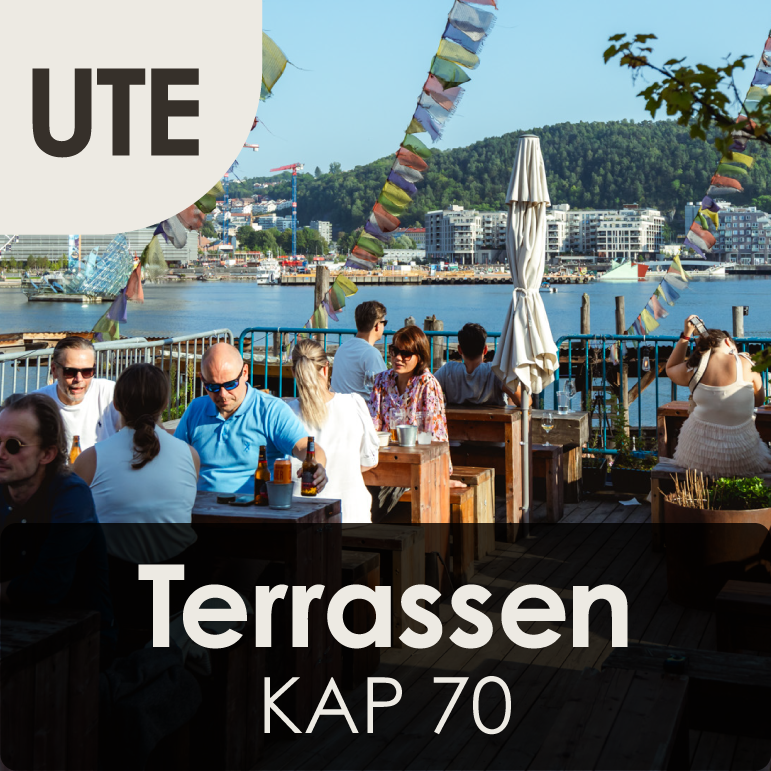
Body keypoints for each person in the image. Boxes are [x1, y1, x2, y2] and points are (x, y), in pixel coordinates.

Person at [0, 393, 114, 660]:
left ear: (47, 453)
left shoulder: (71, 496)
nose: (1, 453)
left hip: (79, 643)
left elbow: (47, 588)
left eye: (13, 445)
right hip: (15, 628)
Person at [72, 363, 200, 565]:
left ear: (116, 404)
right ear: (166, 404)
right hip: (176, 577)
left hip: (115, 578)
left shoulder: (91, 459)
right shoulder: (190, 455)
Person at [174, 342, 328, 494]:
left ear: (245, 372)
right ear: (202, 379)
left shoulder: (271, 410)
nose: (223, 394)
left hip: (255, 512)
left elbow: (303, 447)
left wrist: (316, 465)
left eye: (230, 384)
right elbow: (173, 457)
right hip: (201, 511)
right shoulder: (195, 409)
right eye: (213, 386)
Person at [666, 315, 771, 477]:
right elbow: (758, 400)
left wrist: (686, 335)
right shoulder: (746, 363)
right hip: (742, 457)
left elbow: (671, 368)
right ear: (728, 343)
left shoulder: (694, 367)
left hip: (697, 457)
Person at [287, 339, 379, 523]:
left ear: (293, 373)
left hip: (301, 518)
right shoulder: (354, 404)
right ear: (326, 368)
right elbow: (370, 460)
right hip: (352, 516)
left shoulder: (286, 413)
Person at [369, 326, 463, 488]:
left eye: (405, 354)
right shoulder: (381, 380)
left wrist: (441, 477)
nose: (398, 358)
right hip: (383, 461)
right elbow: (372, 426)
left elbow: (436, 436)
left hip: (418, 464)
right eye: (394, 351)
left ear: (420, 357)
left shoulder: (428, 384)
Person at [36, 336, 121, 450]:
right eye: (70, 371)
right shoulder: (37, 404)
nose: (79, 379)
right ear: (54, 370)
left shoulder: (110, 393)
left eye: (87, 371)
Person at [434, 322, 526, 407]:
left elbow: (426, 391)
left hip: (453, 424)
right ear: (485, 349)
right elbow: (522, 400)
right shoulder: (494, 371)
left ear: (460, 350)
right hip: (492, 424)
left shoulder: (448, 371)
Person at [330, 300, 388, 398]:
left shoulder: (342, 348)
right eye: (384, 322)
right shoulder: (371, 354)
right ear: (377, 326)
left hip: (338, 407)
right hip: (361, 410)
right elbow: (385, 389)